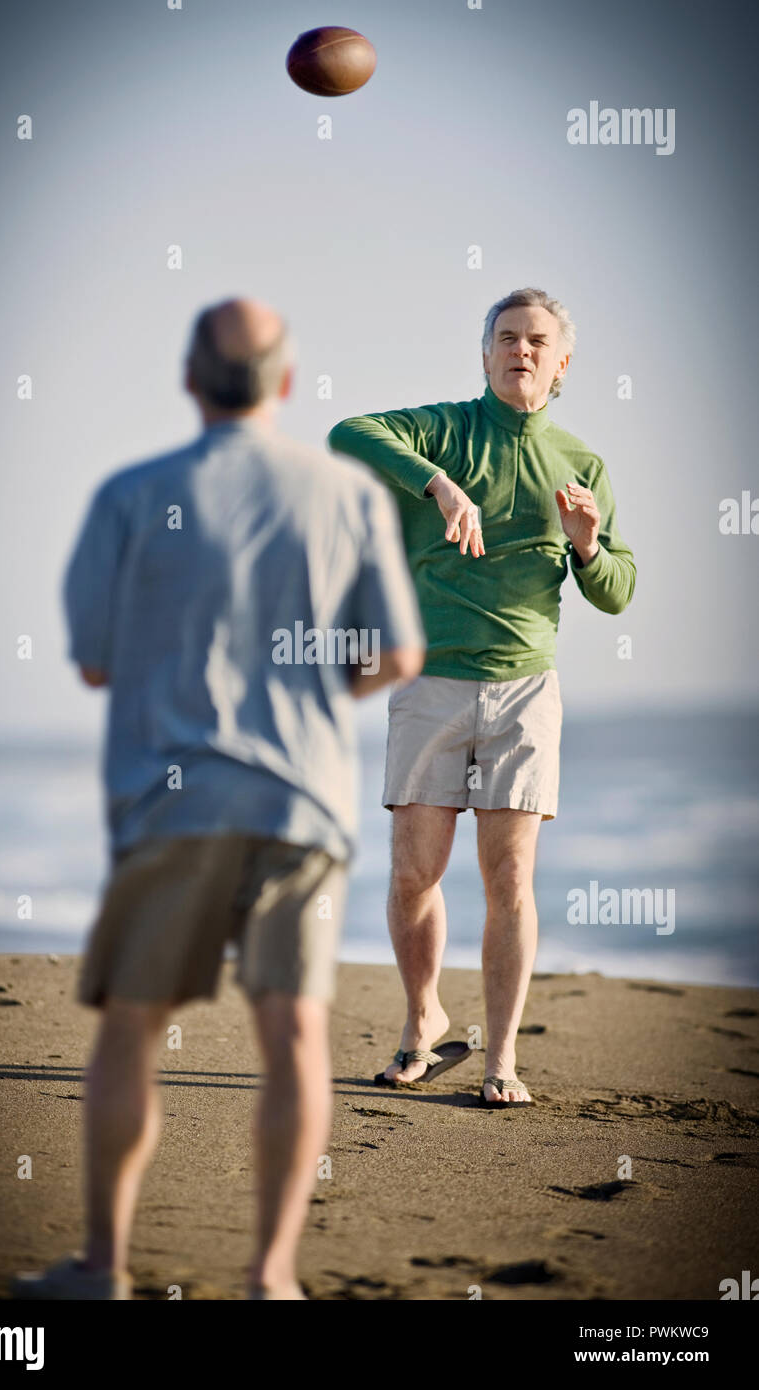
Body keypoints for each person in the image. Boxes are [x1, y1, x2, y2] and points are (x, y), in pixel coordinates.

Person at [12, 298, 425, 1300]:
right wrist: (319, 688)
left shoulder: (130, 494)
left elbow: (96, 664)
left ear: (188, 378)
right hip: (304, 805)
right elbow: (400, 654)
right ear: (286, 384)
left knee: (132, 1023)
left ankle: (103, 1266)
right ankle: (271, 1275)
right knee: (293, 1035)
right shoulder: (348, 493)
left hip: (171, 801)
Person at [328, 287, 636, 1106]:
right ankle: (422, 1018)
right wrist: (438, 486)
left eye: (537, 341)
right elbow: (347, 432)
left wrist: (589, 545)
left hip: (526, 690)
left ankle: (501, 1059)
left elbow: (616, 593)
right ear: (486, 354)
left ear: (561, 361)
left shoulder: (583, 465)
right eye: (506, 338)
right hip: (430, 682)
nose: (521, 351)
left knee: (510, 882)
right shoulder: (446, 430)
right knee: (412, 874)